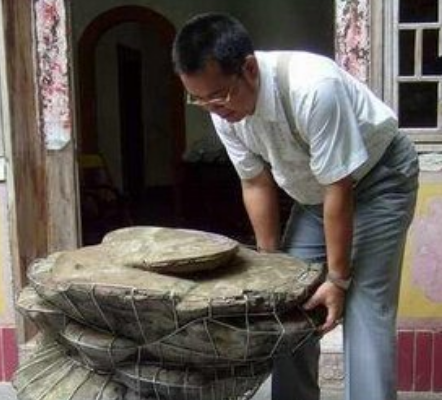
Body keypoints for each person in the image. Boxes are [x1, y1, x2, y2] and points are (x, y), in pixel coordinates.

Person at [172, 13, 419, 400]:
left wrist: (338, 280)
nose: (212, 107)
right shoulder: (224, 112)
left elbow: (339, 186)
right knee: (287, 301)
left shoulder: (313, 87)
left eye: (217, 96)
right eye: (199, 100)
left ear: (249, 69)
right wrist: (270, 266)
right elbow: (255, 182)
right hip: (316, 196)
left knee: (364, 307)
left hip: (379, 179)